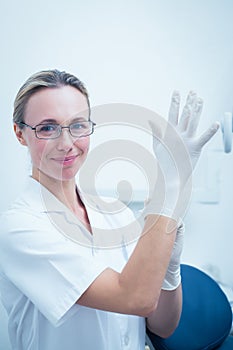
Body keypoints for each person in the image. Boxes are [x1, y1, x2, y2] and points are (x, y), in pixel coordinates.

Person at [0, 69, 219, 350]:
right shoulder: (18, 229)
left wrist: (169, 272)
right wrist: (169, 189)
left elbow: (162, 325)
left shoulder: (117, 215)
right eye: (47, 128)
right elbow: (134, 298)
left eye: (77, 125)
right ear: (20, 133)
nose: (66, 144)